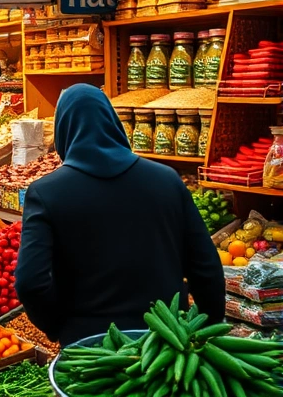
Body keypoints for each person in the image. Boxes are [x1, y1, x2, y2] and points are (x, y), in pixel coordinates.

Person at [15, 84, 225, 346]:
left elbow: (30, 283)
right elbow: (206, 268)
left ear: (62, 130)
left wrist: (59, 327)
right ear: (113, 122)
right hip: (168, 344)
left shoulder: (45, 193)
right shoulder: (167, 180)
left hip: (91, 351)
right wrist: (208, 327)